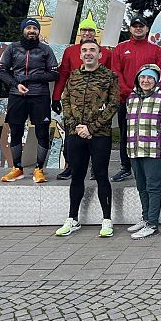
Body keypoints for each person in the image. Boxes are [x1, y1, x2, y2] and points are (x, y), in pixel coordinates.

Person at [55, 41, 119, 237]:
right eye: (84, 50)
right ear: (80, 55)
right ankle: (72, 219)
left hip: (99, 135)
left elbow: (113, 104)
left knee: (101, 175)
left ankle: (106, 220)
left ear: (100, 55)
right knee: (77, 176)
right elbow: (66, 102)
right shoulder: (73, 76)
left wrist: (91, 128)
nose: (88, 53)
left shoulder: (109, 76)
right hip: (76, 135)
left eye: (92, 50)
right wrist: (76, 127)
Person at [0, 18, 59, 183]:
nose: (32, 31)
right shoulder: (12, 48)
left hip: (40, 96)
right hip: (17, 95)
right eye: (29, 28)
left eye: (35, 28)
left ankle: (39, 169)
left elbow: (54, 74)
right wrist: (16, 84)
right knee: (15, 131)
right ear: (23, 30)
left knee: (42, 132)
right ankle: (17, 168)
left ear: (38, 31)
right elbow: (2, 71)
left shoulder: (46, 49)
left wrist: (31, 78)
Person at [52, 17, 112, 180]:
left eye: (90, 30)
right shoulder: (71, 51)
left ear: (95, 33)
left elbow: (110, 78)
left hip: (97, 103)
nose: (87, 33)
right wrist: (56, 97)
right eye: (84, 30)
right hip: (75, 102)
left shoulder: (105, 53)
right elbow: (63, 74)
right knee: (72, 134)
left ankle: (95, 168)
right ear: (80, 32)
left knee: (96, 133)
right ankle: (71, 166)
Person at [110, 16, 161, 183]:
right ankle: (126, 167)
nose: (138, 28)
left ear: (146, 29)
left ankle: (146, 168)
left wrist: (149, 93)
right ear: (130, 29)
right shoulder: (121, 48)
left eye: (141, 26)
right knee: (126, 134)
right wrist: (130, 93)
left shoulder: (156, 50)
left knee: (149, 132)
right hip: (127, 100)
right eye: (135, 26)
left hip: (150, 101)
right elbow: (115, 73)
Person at [126, 64, 161, 239]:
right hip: (134, 150)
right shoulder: (132, 98)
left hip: (153, 151)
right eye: (143, 77)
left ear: (156, 81)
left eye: (150, 78)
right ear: (138, 79)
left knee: (153, 187)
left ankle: (153, 224)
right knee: (141, 186)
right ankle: (146, 217)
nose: (146, 80)